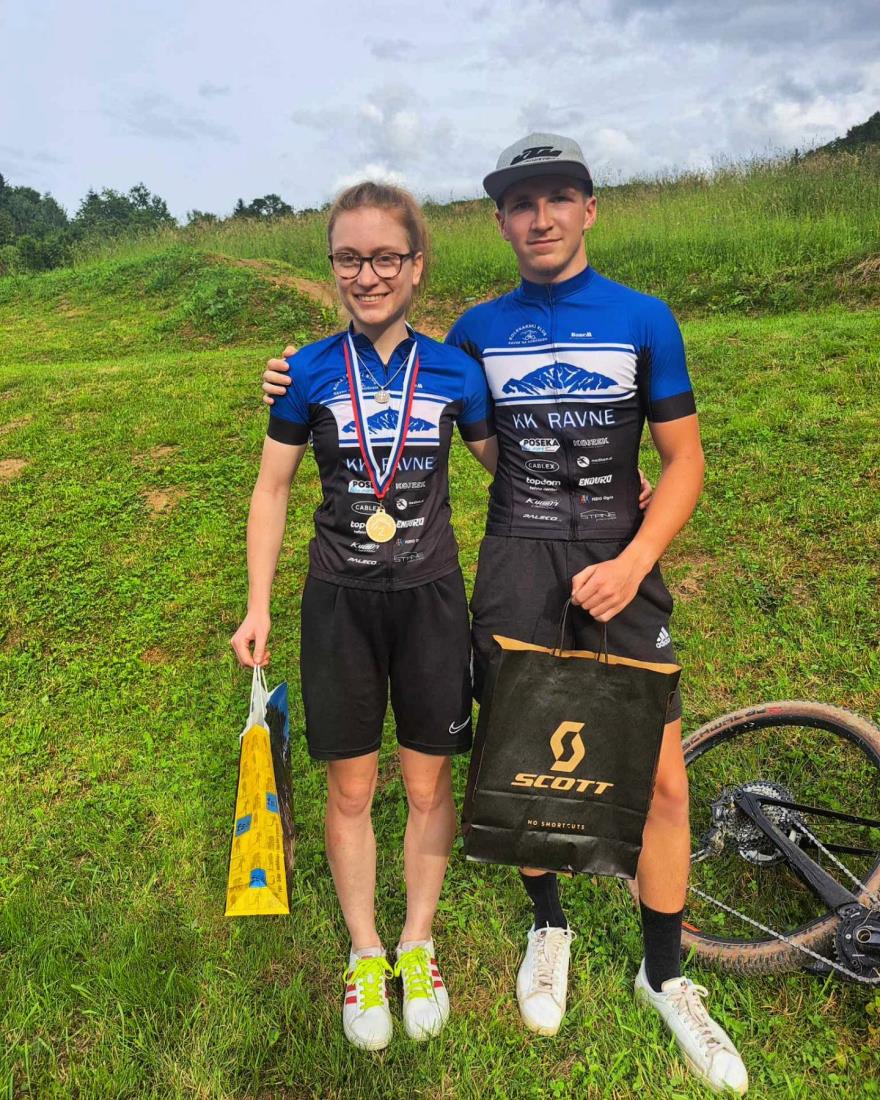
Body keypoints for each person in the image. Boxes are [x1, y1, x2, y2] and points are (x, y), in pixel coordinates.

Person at [262, 135, 748, 1094]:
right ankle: (548, 926)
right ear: (500, 221)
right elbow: (435, 416)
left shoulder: (645, 318)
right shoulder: (476, 334)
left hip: (620, 562)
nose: (541, 218)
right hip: (516, 564)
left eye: (559, 197)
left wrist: (635, 557)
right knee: (524, 760)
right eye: (522, 204)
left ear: (589, 208)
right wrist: (286, 377)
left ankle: (664, 975)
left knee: (663, 782)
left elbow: (686, 460)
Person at [232, 180, 496, 1051]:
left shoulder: (455, 370)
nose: (367, 275)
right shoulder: (305, 370)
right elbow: (272, 489)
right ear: (333, 267)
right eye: (349, 258)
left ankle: (416, 942)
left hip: (431, 601)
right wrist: (258, 605)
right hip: (338, 603)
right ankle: (365, 950)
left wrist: (601, 484)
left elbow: (507, 466)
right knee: (350, 789)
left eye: (385, 256)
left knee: (427, 785)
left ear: (417, 266)